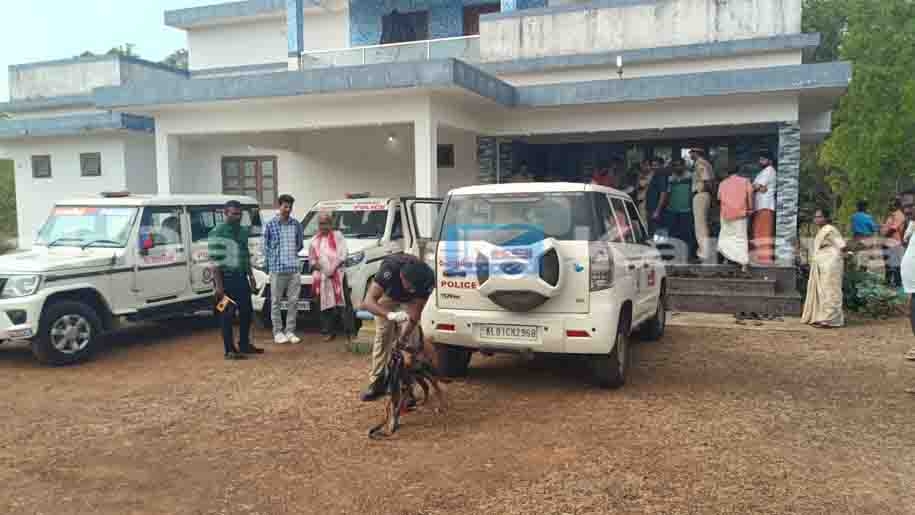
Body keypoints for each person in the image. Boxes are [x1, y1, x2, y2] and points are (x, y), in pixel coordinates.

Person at [359, 253, 436, 401]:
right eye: (410, 286)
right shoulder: (390, 268)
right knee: (384, 335)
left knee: (412, 341)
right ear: (401, 276)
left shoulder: (427, 278)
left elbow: (415, 314)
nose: (412, 289)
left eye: (415, 287)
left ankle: (407, 387)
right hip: (388, 296)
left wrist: (403, 338)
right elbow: (368, 302)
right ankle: (377, 382)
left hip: (411, 302)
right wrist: (389, 315)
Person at [209, 200, 264, 360]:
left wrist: (251, 277)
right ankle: (229, 350)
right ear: (225, 213)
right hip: (224, 279)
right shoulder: (217, 232)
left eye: (239, 214)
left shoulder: (242, 231)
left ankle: (244, 344)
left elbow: (245, 256)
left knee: (247, 312)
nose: (237, 217)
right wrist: (219, 287)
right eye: (234, 214)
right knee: (226, 314)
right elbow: (214, 261)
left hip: (241, 278)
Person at [262, 194, 304, 344]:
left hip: (293, 269)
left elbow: (299, 244)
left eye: (290, 207)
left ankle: (290, 331)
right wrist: (273, 261)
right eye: (285, 206)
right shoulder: (270, 225)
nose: (288, 209)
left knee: (293, 301)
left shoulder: (296, 225)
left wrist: (289, 255)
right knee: (276, 302)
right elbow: (265, 247)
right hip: (277, 269)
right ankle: (278, 332)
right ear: (279, 206)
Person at [801, 208, 847, 328]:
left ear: (826, 218)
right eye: (815, 217)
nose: (816, 219)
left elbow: (842, 245)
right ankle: (822, 317)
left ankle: (831, 320)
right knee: (822, 290)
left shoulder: (830, 229)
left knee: (831, 290)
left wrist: (847, 252)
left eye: (819, 217)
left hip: (831, 263)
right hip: (823, 263)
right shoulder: (822, 230)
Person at [309, 212, 348, 342]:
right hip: (322, 277)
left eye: (326, 223)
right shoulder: (314, 240)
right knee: (325, 305)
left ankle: (348, 332)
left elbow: (342, 255)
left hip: (338, 275)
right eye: (321, 224)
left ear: (331, 224)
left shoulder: (338, 236)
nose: (323, 226)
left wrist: (332, 269)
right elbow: (312, 260)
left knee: (343, 303)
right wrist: (324, 270)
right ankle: (328, 331)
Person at [717, 166, 754, 273]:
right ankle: (743, 264)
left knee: (726, 236)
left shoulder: (722, 183)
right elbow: (750, 194)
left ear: (726, 173)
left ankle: (727, 259)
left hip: (726, 215)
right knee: (740, 237)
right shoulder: (745, 181)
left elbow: (719, 198)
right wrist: (750, 208)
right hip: (740, 214)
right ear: (739, 172)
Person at [665, 158, 695, 262]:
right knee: (672, 234)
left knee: (687, 234)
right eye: (675, 165)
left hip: (686, 210)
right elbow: (667, 193)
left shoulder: (690, 176)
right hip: (672, 210)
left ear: (684, 166)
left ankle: (687, 256)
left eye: (679, 165)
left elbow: (693, 192)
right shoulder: (670, 178)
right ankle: (673, 256)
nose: (678, 167)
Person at [689, 147, 715, 262]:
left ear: (696, 153)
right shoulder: (704, 163)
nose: (690, 154)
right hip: (703, 195)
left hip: (701, 194)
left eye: (691, 152)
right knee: (703, 224)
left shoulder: (700, 163)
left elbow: (707, 180)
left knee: (700, 226)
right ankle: (705, 252)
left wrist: (710, 193)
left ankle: (704, 254)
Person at [752, 152, 777, 265]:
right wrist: (758, 187)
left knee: (764, 233)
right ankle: (760, 258)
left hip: (766, 206)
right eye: (760, 159)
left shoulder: (769, 170)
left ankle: (765, 260)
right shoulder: (762, 172)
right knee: (758, 233)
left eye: (763, 159)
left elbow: (756, 186)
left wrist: (757, 187)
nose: (760, 161)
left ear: (770, 161)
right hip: (760, 206)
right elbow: (757, 187)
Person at [850, 200, 883, 275]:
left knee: (856, 257)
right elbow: (873, 228)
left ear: (857, 207)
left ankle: (854, 274)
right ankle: (862, 274)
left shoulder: (853, 216)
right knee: (865, 259)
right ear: (865, 207)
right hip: (866, 239)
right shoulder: (867, 217)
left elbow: (852, 228)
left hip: (856, 238)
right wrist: (880, 226)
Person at [640, 158, 670, 238]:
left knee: (657, 232)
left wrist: (657, 210)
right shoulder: (654, 176)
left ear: (661, 165)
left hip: (656, 209)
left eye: (656, 165)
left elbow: (663, 194)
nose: (653, 167)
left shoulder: (661, 176)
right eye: (652, 165)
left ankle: (659, 246)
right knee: (651, 231)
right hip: (650, 208)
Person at [881, 198, 906, 288]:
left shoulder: (899, 215)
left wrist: (884, 236)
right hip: (888, 242)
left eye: (892, 204)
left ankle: (897, 282)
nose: (890, 205)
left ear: (897, 205)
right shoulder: (891, 215)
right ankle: (888, 281)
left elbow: (893, 229)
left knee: (895, 263)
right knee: (888, 262)